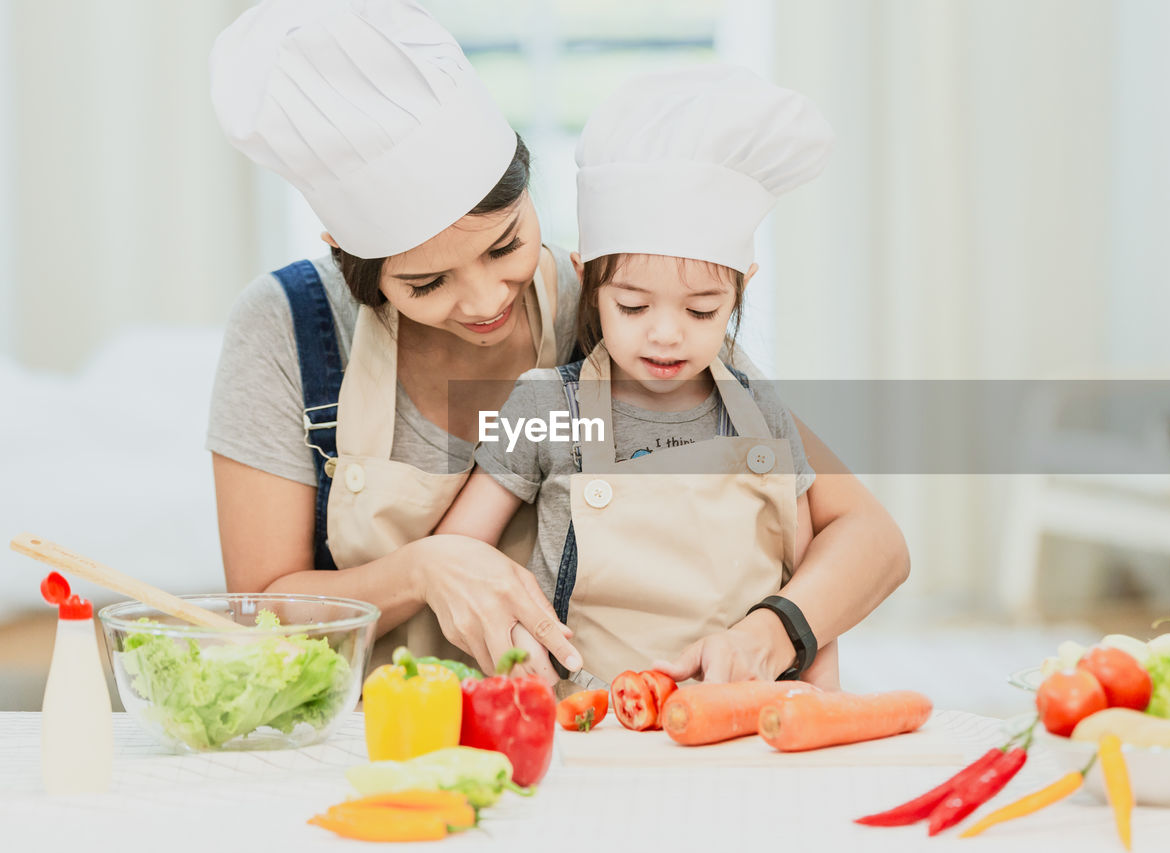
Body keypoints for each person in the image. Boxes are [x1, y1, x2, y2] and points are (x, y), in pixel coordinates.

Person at [206, 0, 909, 684]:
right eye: (426, 283)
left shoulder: (623, 314)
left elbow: (868, 537)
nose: (486, 302)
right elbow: (255, 613)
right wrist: (425, 567)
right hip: (381, 734)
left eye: (507, 243)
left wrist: (776, 626)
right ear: (344, 252)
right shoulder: (287, 329)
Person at [438, 66, 848, 688]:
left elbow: (808, 584)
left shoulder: (761, 406)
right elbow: (458, 554)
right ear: (588, 281)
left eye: (702, 310)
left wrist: (821, 708)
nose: (666, 333)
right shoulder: (545, 402)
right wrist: (516, 646)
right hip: (585, 723)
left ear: (742, 290)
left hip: (738, 725)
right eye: (632, 307)